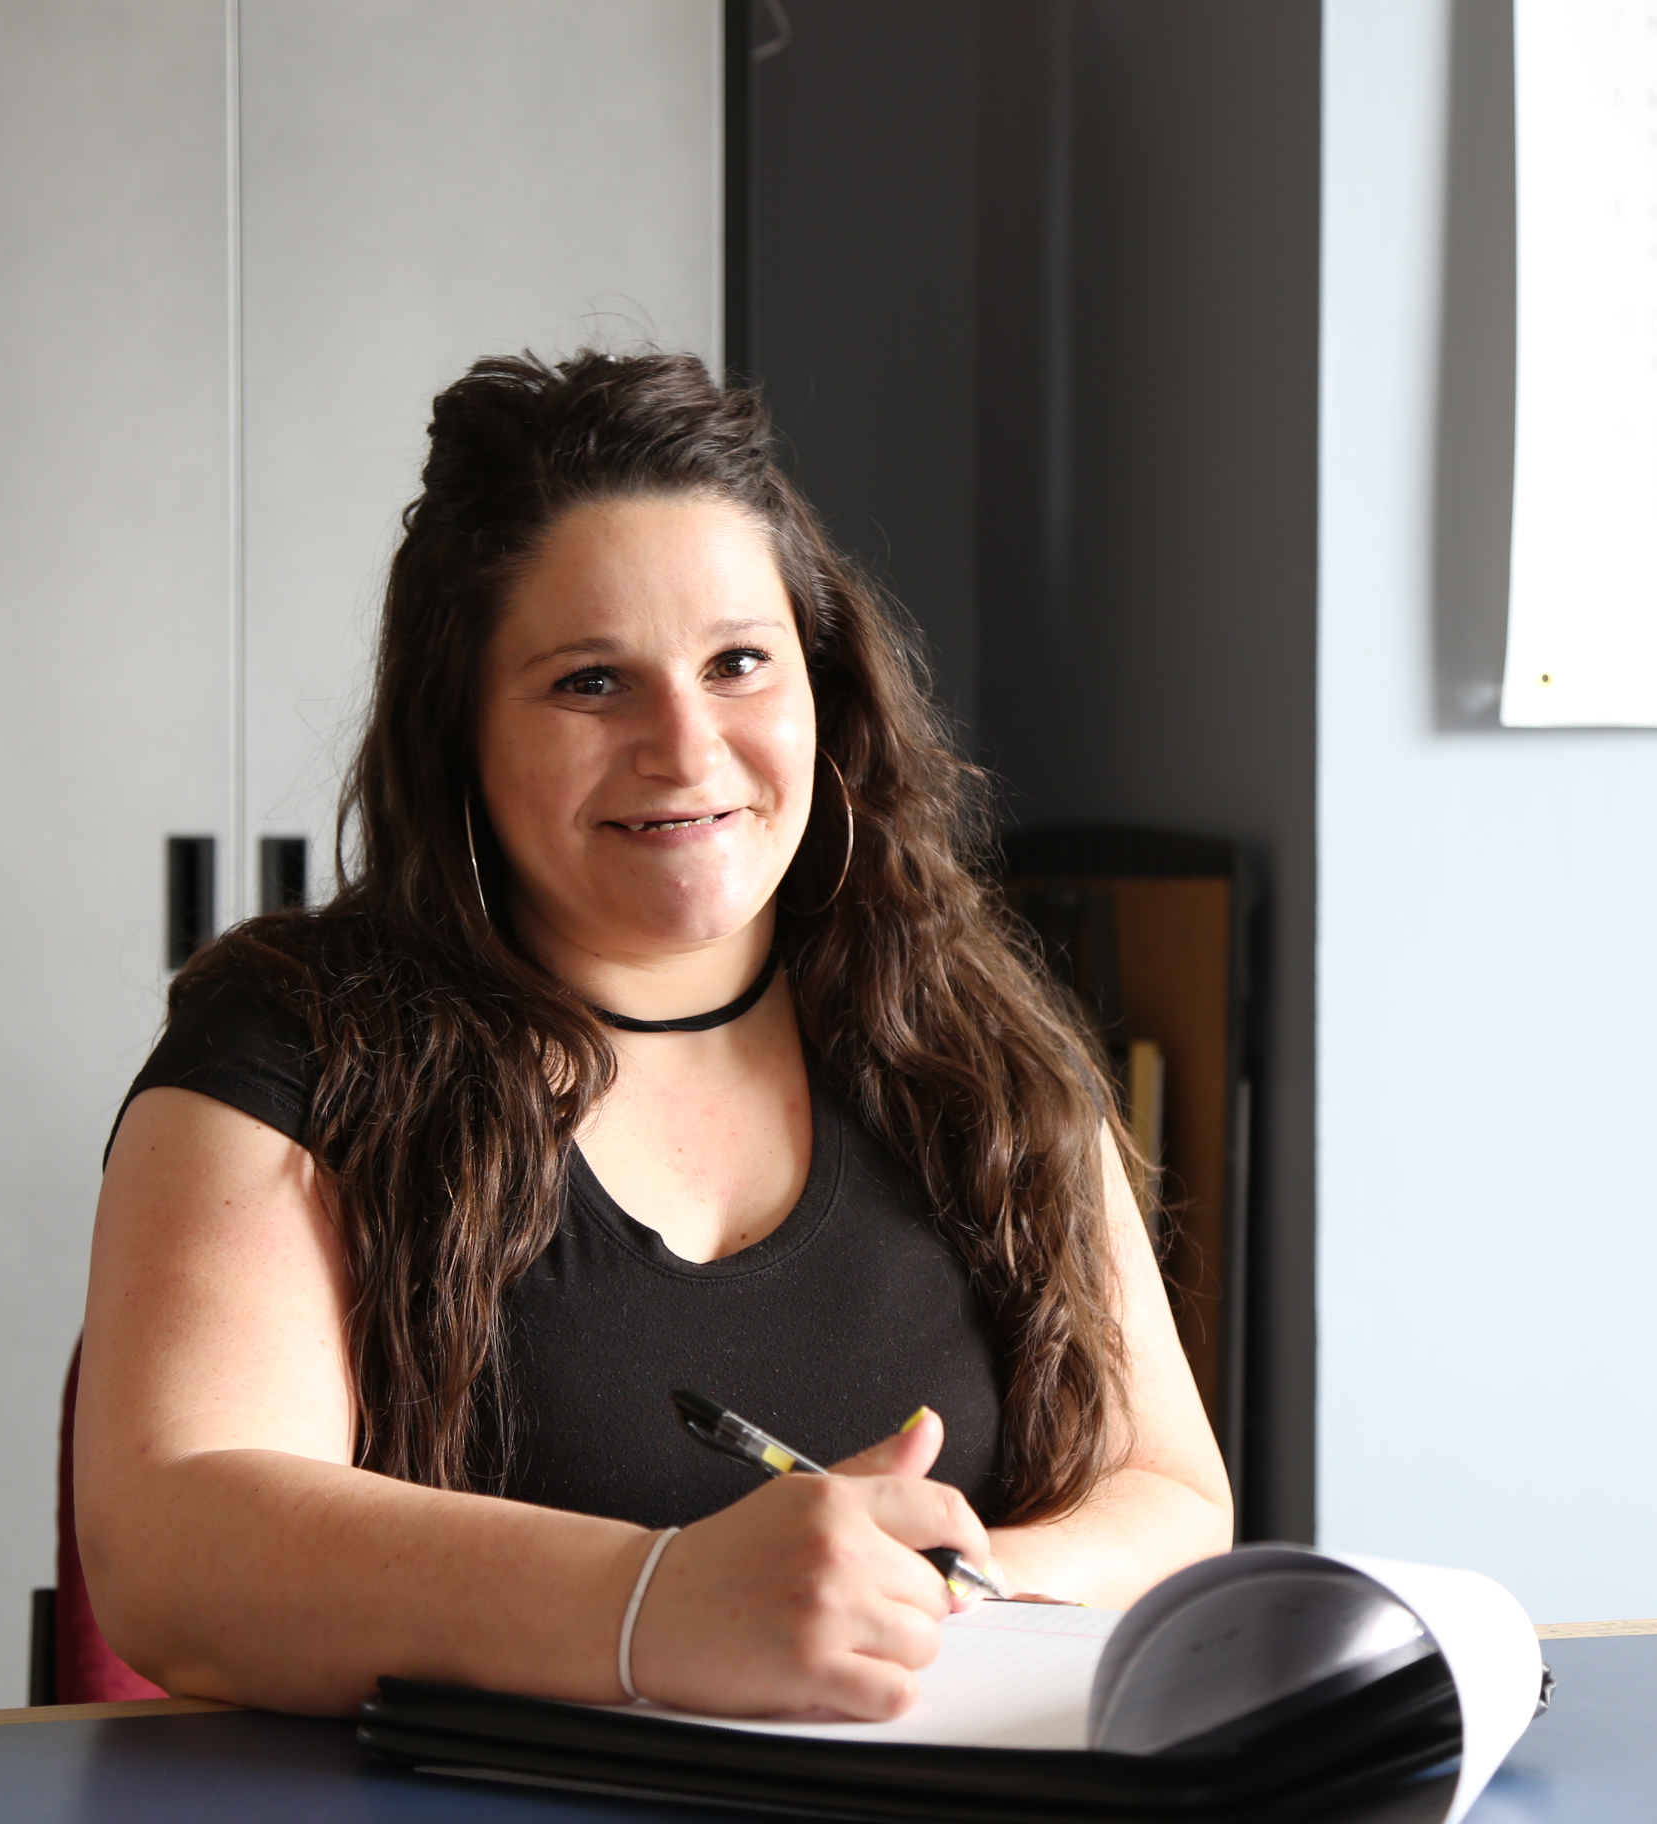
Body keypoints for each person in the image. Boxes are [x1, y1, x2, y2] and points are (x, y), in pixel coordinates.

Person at [76, 349, 1230, 1724]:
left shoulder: (974, 1039)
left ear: (824, 692)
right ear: (458, 733)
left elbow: (1169, 1498)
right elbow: (177, 1550)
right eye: (589, 683)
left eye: (739, 662)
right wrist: (653, 1603)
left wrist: (938, 1591)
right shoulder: (292, 1052)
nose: (685, 748)